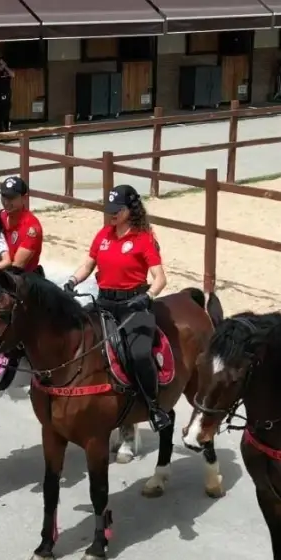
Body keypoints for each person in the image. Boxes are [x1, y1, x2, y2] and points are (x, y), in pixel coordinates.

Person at [62, 184, 170, 431]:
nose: (111, 214)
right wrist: (72, 280)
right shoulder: (103, 234)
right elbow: (88, 264)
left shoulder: (144, 238)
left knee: (139, 353)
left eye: (116, 210)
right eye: (109, 209)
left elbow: (160, 277)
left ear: (130, 210)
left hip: (133, 304)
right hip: (104, 302)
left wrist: (149, 296)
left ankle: (154, 407)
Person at [0, 176, 43, 276]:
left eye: (11, 198)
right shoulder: (0, 217)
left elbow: (17, 266)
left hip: (22, 280)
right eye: (4, 196)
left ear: (24, 198)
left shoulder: (31, 228)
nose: (6, 202)